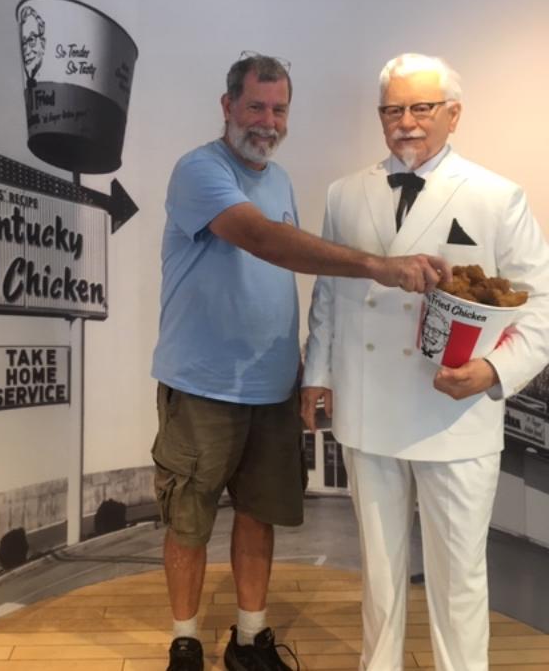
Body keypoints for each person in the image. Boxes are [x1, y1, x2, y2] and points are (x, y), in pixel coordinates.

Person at [151, 52, 449, 671]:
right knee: (189, 519)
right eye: (256, 106)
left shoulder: (280, 179)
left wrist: (311, 373)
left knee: (259, 514)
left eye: (279, 110)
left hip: (270, 384)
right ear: (228, 106)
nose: (267, 122)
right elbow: (264, 240)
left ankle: (250, 638)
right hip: (203, 385)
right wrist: (377, 266)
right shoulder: (199, 170)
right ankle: (184, 642)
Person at [301, 52, 549, 671]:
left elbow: (541, 302)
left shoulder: (497, 196)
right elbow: (329, 292)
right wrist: (318, 374)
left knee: (458, 578)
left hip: (455, 413)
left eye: (421, 108)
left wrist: (495, 372)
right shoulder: (344, 193)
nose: (405, 122)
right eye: (392, 110)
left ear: (453, 114)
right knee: (378, 575)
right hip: (368, 408)